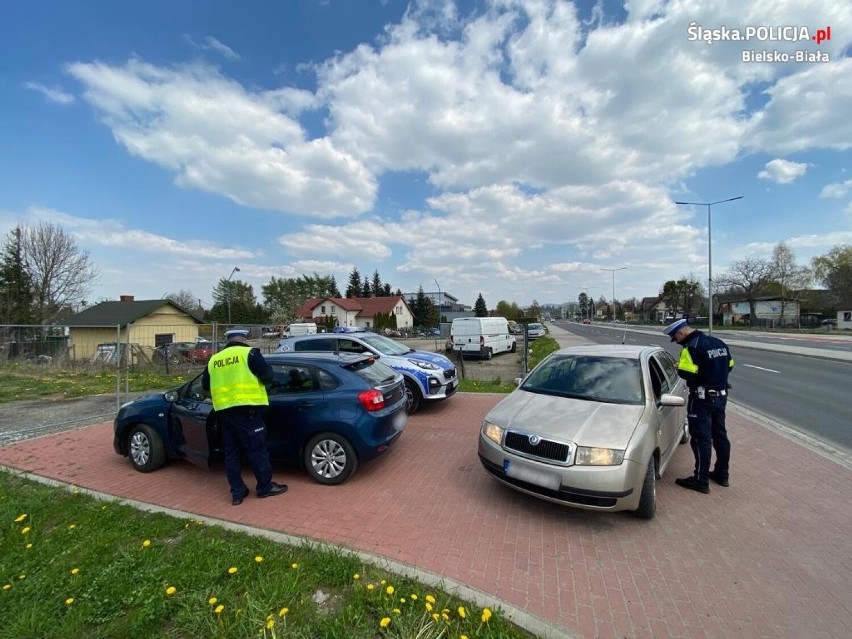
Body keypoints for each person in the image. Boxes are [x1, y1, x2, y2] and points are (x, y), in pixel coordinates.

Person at [202, 328, 287, 505]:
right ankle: (265, 487)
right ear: (244, 339)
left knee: (231, 454)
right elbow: (267, 377)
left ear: (228, 341)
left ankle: (237, 493)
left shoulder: (214, 360)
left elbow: (205, 385)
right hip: (248, 412)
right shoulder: (250, 354)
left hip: (224, 413)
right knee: (257, 451)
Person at [663, 318, 735, 494]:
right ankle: (722, 474)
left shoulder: (692, 347)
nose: (677, 342)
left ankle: (701, 480)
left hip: (701, 400)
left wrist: (679, 366)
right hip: (721, 397)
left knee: (700, 439)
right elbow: (730, 365)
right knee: (720, 436)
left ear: (680, 333)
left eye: (675, 338)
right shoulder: (718, 342)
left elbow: (687, 374)